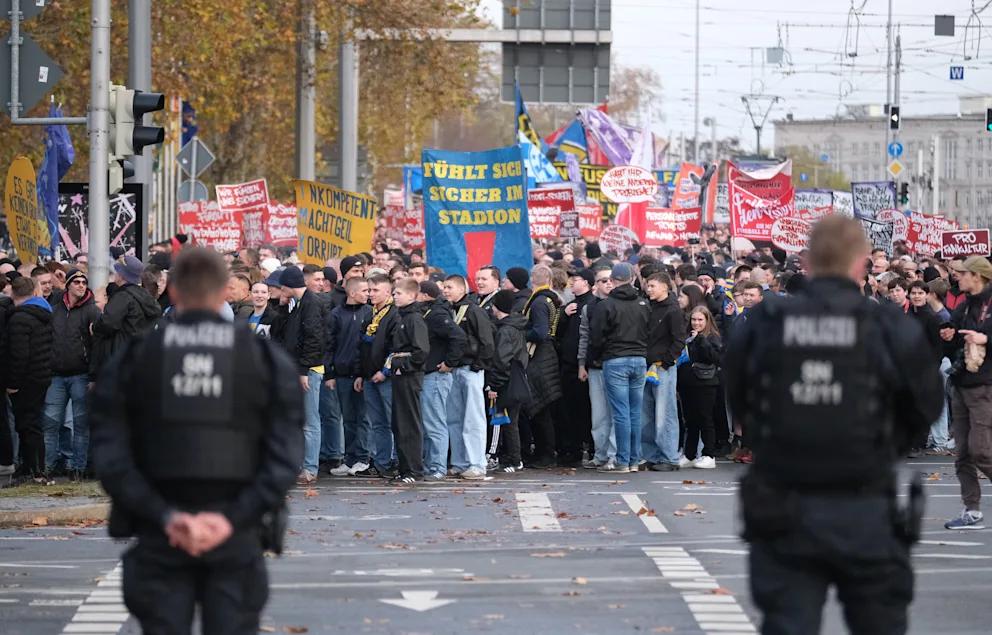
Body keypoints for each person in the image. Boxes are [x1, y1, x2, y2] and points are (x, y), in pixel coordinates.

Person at [724, 215, 943, 634]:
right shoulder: (885, 324)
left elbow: (740, 396)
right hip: (864, 502)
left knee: (788, 623)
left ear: (808, 261)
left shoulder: (769, 322)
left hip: (784, 501)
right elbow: (924, 403)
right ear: (861, 263)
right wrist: (884, 443)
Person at [90, 246, 303, 634]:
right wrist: (229, 519)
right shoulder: (263, 360)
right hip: (237, 533)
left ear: (172, 291)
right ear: (224, 290)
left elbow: (109, 453)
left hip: (160, 532)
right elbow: (285, 455)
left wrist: (166, 517)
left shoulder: (137, 359)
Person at [941, 256, 992, 529]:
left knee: (981, 450)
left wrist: (986, 338)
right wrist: (947, 335)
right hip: (962, 383)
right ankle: (971, 510)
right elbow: (953, 336)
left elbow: (984, 336)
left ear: (977, 276)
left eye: (962, 273)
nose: (957, 277)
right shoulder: (964, 305)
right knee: (962, 453)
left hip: (985, 385)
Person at [589, 263, 650, 474]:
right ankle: (634, 459)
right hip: (639, 359)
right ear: (633, 279)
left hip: (615, 359)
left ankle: (623, 460)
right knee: (635, 412)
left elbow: (596, 337)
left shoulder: (606, 305)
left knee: (621, 413)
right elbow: (649, 331)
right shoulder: (643, 303)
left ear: (613, 280)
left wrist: (597, 356)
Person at [44, 268, 100, 479]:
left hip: (80, 374)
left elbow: (96, 346)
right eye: (76, 281)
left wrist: (93, 375)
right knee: (50, 423)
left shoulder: (92, 311)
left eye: (84, 282)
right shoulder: (55, 309)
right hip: (56, 375)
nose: (81, 285)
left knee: (80, 425)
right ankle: (46, 468)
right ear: (68, 285)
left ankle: (78, 469)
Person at [275, 266, 325, 485]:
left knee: (310, 421)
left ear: (287, 285)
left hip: (309, 370)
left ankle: (310, 467)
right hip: (297, 368)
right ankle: (301, 464)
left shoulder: (311, 304)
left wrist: (304, 369)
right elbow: (288, 334)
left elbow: (314, 338)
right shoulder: (297, 304)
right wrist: (284, 309)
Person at [443, 274, 495, 479]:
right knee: (454, 418)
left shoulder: (474, 310)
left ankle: (477, 463)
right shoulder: (448, 310)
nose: (445, 291)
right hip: (453, 370)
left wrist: (478, 365)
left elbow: (487, 341)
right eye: (444, 287)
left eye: (449, 287)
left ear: (461, 289)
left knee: (473, 418)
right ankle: (460, 461)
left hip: (471, 370)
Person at [4, 277, 54, 483]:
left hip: (26, 378)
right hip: (41, 375)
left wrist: (13, 383)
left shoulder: (19, 319)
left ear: (14, 293)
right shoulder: (43, 313)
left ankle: (35, 470)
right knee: (32, 423)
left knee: (27, 424)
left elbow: (19, 354)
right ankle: (33, 468)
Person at [418, 281, 466, 481]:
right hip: (428, 375)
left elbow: (458, 336)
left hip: (436, 375)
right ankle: (430, 465)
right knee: (428, 422)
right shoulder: (431, 312)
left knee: (435, 423)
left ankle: (437, 466)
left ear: (425, 295)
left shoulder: (437, 314)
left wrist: (449, 363)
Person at [326, 277, 374, 477]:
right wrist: (330, 373)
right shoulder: (336, 314)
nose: (368, 294)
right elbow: (328, 345)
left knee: (363, 418)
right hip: (343, 374)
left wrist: (364, 372)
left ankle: (363, 458)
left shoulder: (370, 313)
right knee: (348, 419)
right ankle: (350, 458)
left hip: (362, 374)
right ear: (352, 293)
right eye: (364, 290)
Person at [90, 255, 162, 381]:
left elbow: (108, 323)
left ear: (122, 275)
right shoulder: (146, 296)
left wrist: (94, 327)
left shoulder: (123, 297)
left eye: (117, 271)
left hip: (120, 357)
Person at [387, 278, 430, 483]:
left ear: (412, 295)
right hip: (400, 373)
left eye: (399, 293)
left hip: (409, 376)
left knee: (409, 422)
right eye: (394, 293)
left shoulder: (414, 319)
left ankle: (413, 469)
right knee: (399, 422)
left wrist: (402, 365)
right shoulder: (402, 316)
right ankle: (405, 468)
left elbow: (421, 351)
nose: (395, 296)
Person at [642, 272, 686, 472]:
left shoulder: (673, 310)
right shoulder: (649, 306)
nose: (648, 289)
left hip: (662, 368)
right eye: (647, 285)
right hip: (647, 366)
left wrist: (667, 362)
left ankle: (669, 456)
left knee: (665, 413)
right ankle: (652, 455)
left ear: (664, 287)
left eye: (652, 285)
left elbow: (679, 340)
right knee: (648, 414)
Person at [520, 265, 563, 469]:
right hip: (549, 354)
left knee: (539, 407)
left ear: (532, 280)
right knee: (543, 406)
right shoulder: (550, 299)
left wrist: (519, 334)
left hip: (540, 356)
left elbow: (540, 331)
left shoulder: (537, 302)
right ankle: (546, 452)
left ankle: (545, 454)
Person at [578, 267, 617, 470]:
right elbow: (584, 337)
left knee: (616, 413)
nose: (608, 283)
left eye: (611, 280)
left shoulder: (621, 304)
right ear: (596, 285)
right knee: (599, 415)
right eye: (603, 281)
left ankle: (613, 454)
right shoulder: (589, 308)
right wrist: (581, 364)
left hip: (616, 364)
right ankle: (601, 454)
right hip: (595, 366)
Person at [359, 274, 399, 477]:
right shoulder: (370, 314)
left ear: (387, 291)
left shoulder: (394, 314)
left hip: (386, 378)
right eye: (369, 290)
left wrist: (385, 371)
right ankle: (381, 462)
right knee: (378, 423)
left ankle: (399, 461)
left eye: (375, 290)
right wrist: (361, 373)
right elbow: (362, 347)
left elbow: (396, 348)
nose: (371, 294)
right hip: (368, 376)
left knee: (394, 421)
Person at [555, 269, 596, 468]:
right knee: (569, 409)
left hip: (583, 366)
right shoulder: (570, 304)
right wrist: (563, 315)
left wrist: (584, 363)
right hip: (567, 364)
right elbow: (556, 332)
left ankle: (590, 448)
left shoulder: (592, 304)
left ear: (587, 283)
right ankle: (573, 449)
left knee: (585, 410)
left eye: (576, 279)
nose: (572, 282)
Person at [486, 289, 529, 473]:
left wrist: (494, 384)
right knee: (512, 422)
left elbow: (501, 360)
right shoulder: (517, 327)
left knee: (501, 420)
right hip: (517, 379)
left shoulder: (504, 331)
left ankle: (504, 457)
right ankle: (515, 458)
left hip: (505, 382)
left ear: (496, 307)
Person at [677, 306, 722, 469]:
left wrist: (701, 340)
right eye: (694, 320)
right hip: (688, 383)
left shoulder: (712, 337)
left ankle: (708, 454)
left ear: (707, 320)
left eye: (700, 320)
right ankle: (689, 455)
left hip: (706, 383)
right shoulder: (687, 337)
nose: (696, 323)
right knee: (690, 420)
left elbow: (714, 358)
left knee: (706, 419)